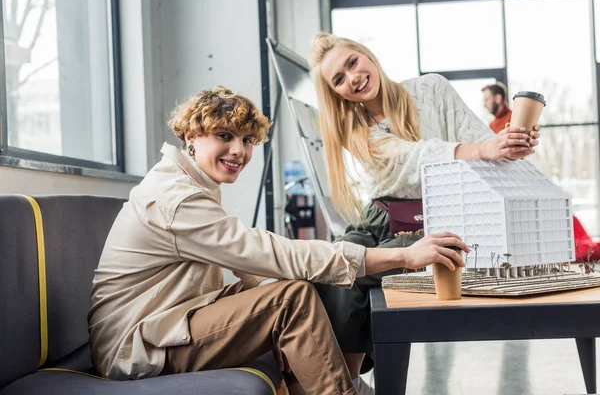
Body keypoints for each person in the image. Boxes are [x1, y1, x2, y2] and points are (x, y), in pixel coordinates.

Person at [87, 85, 469, 395]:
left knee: (289, 289)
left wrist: (269, 304)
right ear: (191, 136)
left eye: (248, 140)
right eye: (225, 136)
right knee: (290, 299)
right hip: (135, 346)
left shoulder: (189, 181)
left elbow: (248, 262)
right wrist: (402, 253)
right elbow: (264, 251)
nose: (239, 151)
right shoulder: (178, 198)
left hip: (166, 322)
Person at [308, 33, 541, 387]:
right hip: (377, 220)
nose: (352, 78)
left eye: (352, 63)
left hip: (432, 221)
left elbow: (479, 139)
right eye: (338, 79)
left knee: (349, 274)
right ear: (336, 92)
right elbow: (411, 157)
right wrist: (484, 149)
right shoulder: (355, 129)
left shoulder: (432, 89)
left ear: (366, 55)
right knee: (330, 265)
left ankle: (344, 385)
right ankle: (348, 384)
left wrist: (507, 144)